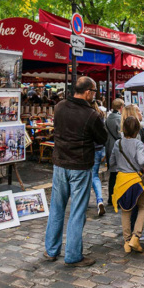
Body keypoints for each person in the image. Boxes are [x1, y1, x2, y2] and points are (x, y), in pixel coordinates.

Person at [44, 77, 107, 267]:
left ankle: (51, 250)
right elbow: (102, 138)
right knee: (77, 211)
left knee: (57, 207)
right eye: (94, 91)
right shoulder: (91, 115)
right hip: (79, 165)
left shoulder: (60, 106)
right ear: (88, 92)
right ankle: (72, 255)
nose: (95, 95)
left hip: (60, 163)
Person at [109, 116, 144, 253]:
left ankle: (127, 242)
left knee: (125, 211)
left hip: (121, 180)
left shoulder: (117, 144)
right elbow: (141, 161)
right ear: (136, 130)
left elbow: (112, 161)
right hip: (134, 180)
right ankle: (136, 237)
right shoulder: (138, 143)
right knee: (143, 207)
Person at [105, 98, 124, 206]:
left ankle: (110, 196)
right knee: (118, 173)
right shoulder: (119, 118)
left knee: (112, 173)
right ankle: (117, 197)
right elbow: (120, 134)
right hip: (117, 148)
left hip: (109, 147)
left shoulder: (108, 118)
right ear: (121, 107)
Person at [91, 101, 107, 217]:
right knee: (94, 175)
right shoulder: (100, 115)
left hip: (89, 148)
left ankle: (97, 200)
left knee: (89, 175)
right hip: (99, 148)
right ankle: (99, 200)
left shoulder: (88, 115)